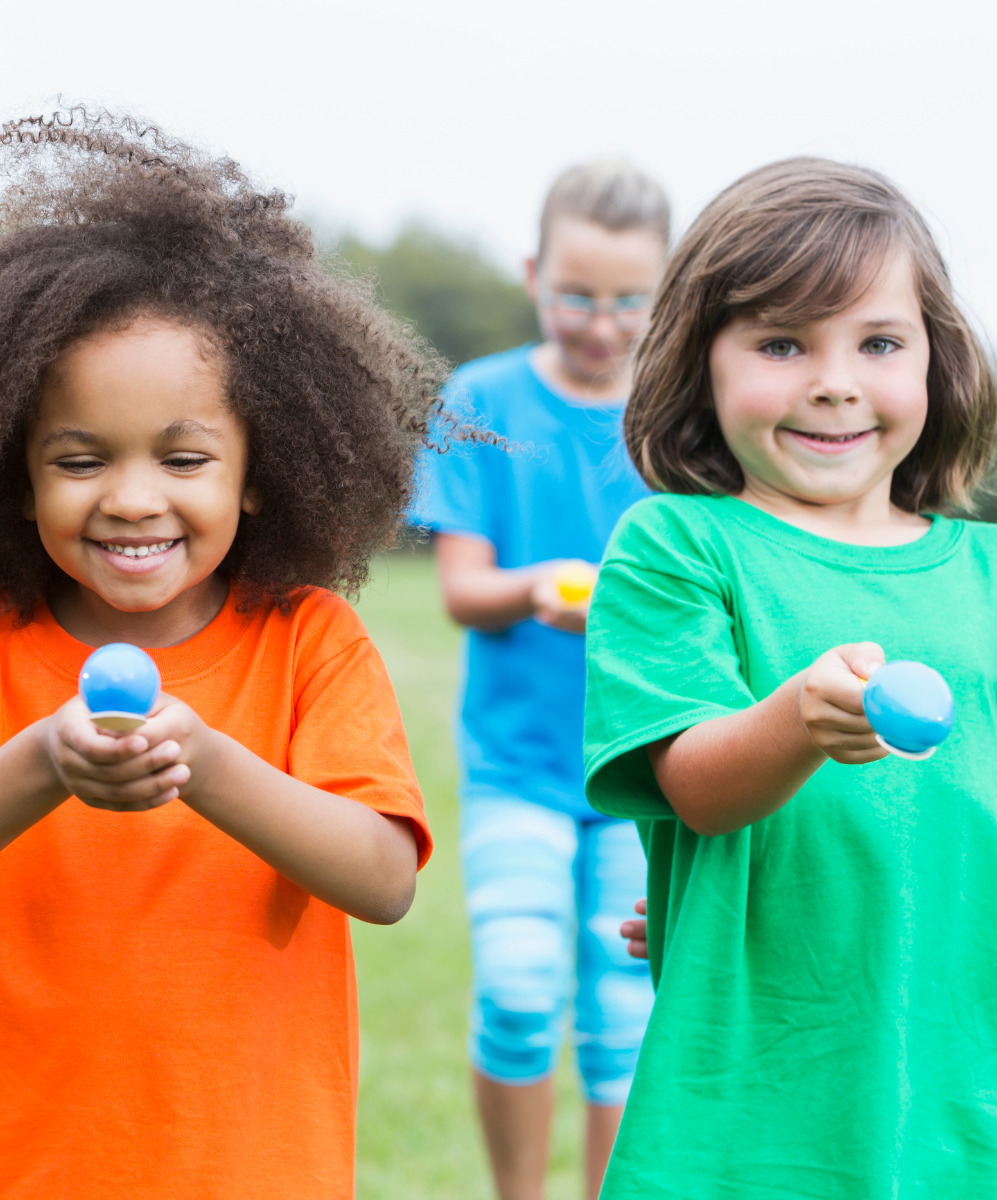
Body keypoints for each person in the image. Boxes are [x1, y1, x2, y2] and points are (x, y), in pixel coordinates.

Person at [0, 109, 464, 1199]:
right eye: (80, 458)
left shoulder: (310, 641)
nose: (133, 497)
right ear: (18, 477)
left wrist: (209, 763)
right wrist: (43, 762)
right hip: (21, 1167)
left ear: (257, 469)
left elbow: (382, 881)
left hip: (255, 1168)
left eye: (184, 457)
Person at [584, 158, 997, 1196]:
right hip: (758, 1097)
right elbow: (698, 790)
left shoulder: (983, 567)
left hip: (960, 1087)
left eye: (878, 343)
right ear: (700, 362)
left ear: (935, 361)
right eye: (780, 342)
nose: (833, 380)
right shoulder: (676, 547)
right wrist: (797, 722)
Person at [410, 160, 668, 1200]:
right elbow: (463, 589)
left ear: (665, 291)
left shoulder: (678, 413)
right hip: (516, 764)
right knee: (518, 992)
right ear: (533, 273)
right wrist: (541, 592)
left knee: (621, 1013)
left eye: (626, 300)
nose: (600, 322)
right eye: (576, 294)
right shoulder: (481, 400)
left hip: (642, 766)